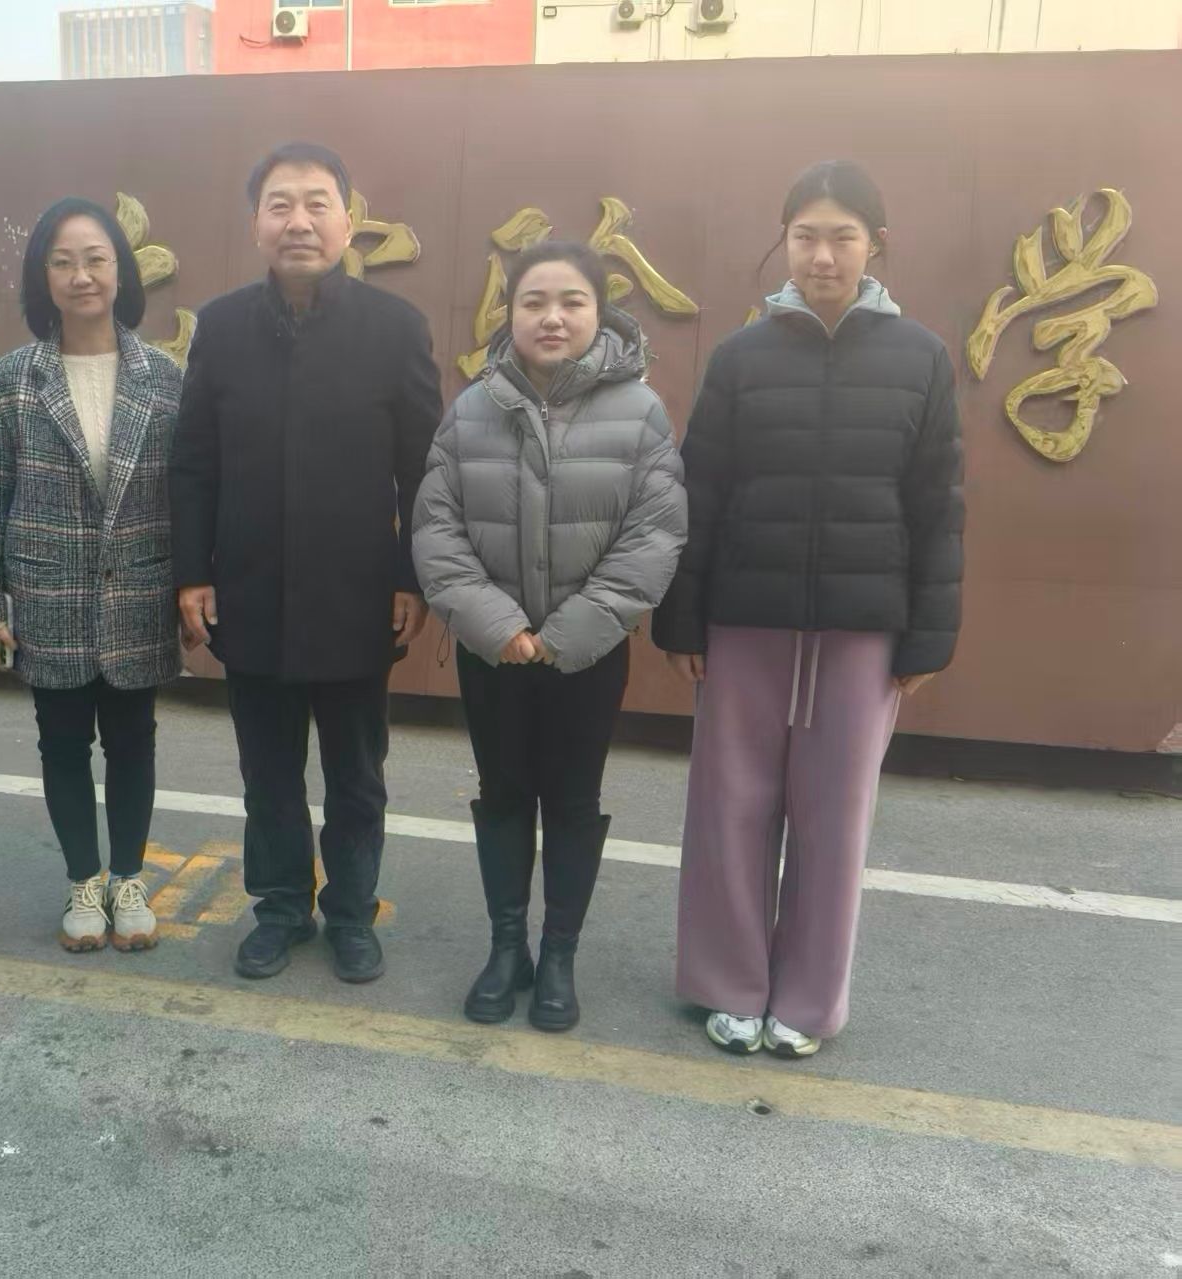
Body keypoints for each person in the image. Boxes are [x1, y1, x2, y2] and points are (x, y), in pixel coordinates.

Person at [652, 160, 965, 1058]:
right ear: (784, 243)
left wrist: (929, 635)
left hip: (863, 633)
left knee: (835, 819)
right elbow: (700, 491)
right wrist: (682, 617)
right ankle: (729, 984)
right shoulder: (741, 356)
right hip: (745, 620)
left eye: (842, 237)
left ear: (876, 245)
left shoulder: (921, 358)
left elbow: (938, 504)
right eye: (805, 237)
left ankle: (809, 1001)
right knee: (730, 807)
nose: (822, 256)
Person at [169, 142, 443, 984]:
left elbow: (424, 468)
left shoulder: (395, 327)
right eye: (280, 204)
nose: (299, 221)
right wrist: (193, 571)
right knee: (268, 773)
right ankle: (282, 908)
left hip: (358, 595)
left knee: (356, 774)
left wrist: (411, 575)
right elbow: (195, 461)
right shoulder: (221, 327)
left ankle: (352, 913)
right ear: (256, 224)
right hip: (249, 592)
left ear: (348, 222)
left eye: (317, 203)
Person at [413, 241, 686, 1033]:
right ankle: (508, 948)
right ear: (510, 313)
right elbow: (436, 528)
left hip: (586, 653)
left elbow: (655, 533)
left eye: (571, 301)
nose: (552, 317)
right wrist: (498, 627)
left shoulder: (640, 411)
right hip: (492, 651)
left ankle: (559, 953)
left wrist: (569, 632)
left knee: (572, 798)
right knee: (502, 793)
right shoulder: (471, 409)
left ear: (600, 312)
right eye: (534, 301)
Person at [0, 199, 184, 954]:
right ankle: (83, 882)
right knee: (60, 743)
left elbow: (188, 495)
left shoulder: (165, 377)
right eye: (63, 262)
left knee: (134, 742)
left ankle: (129, 878)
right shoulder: (13, 378)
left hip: (139, 592)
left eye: (95, 259)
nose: (81, 275)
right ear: (42, 277)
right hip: (46, 593)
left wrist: (193, 587)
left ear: (120, 271)